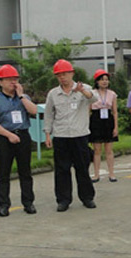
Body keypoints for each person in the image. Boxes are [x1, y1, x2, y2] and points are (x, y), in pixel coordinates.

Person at [0, 64, 38, 217]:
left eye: (15, 79)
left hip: (23, 135)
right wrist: (8, 135)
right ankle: (4, 204)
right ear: (0, 82)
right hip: (4, 137)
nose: (13, 82)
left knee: (25, 171)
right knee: (3, 172)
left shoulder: (24, 98)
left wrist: (21, 96)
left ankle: (28, 202)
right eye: (9, 79)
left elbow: (34, 111)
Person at [44, 59, 98, 212]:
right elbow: (48, 114)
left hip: (79, 135)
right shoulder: (53, 94)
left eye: (65, 74)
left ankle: (87, 197)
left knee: (82, 168)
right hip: (61, 136)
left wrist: (82, 91)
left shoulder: (83, 88)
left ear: (72, 73)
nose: (62, 77)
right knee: (62, 170)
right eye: (59, 75)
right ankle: (63, 200)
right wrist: (47, 134)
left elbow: (95, 99)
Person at [89, 69, 119, 183]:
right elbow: (88, 110)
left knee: (109, 150)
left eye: (106, 80)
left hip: (108, 121)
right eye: (102, 80)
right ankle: (96, 174)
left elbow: (115, 111)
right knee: (97, 150)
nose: (104, 82)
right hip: (96, 120)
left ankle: (111, 173)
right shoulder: (92, 93)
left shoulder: (112, 94)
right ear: (97, 81)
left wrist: (116, 127)